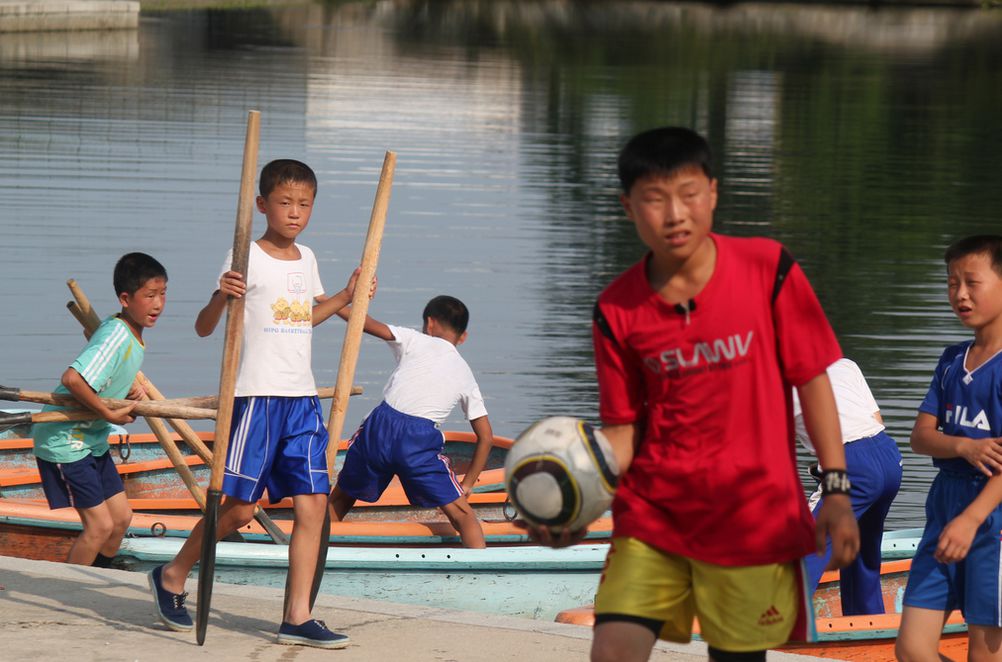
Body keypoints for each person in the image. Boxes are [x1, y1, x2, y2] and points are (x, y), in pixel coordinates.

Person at [528, 126, 860, 662]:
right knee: (612, 650)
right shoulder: (617, 309)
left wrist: (837, 491)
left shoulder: (768, 269)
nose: (674, 214)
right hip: (655, 514)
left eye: (688, 194)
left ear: (713, 193)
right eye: (654, 200)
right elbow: (621, 432)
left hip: (755, 516)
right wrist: (572, 505)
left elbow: (812, 379)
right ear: (628, 207)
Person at [147, 159, 365, 649]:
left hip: (302, 399)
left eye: (304, 205)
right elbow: (205, 328)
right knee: (241, 509)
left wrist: (349, 296)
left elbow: (304, 318)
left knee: (312, 506)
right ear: (263, 205)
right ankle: (172, 574)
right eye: (285, 203)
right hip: (257, 397)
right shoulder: (244, 254)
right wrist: (223, 296)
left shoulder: (306, 258)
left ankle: (297, 615)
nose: (295, 213)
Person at [896, 235, 1002, 662]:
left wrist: (972, 519)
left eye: (972, 282)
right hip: (943, 509)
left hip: (992, 521)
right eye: (951, 282)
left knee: (985, 653)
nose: (959, 294)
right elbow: (920, 436)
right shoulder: (951, 359)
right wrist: (962, 444)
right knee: (911, 649)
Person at [33, 252, 168, 567]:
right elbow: (73, 379)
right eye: (149, 296)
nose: (158, 304)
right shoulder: (116, 334)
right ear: (125, 298)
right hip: (66, 439)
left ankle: (99, 573)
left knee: (121, 518)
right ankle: (73, 592)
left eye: (162, 294)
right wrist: (109, 414)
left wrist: (125, 390)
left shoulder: (131, 334)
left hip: (91, 438)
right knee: (100, 526)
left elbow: (105, 374)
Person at [329, 295, 494, 548]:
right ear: (463, 337)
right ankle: (483, 572)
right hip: (418, 439)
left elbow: (363, 321)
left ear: (429, 323)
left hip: (381, 427)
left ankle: (316, 553)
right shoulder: (465, 374)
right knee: (463, 516)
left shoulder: (415, 339)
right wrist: (468, 484)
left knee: (340, 498)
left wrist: (331, 301)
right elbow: (485, 437)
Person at [794, 358, 902, 615]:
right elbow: (876, 418)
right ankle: (868, 622)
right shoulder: (844, 364)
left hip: (850, 464)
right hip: (889, 457)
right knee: (861, 551)